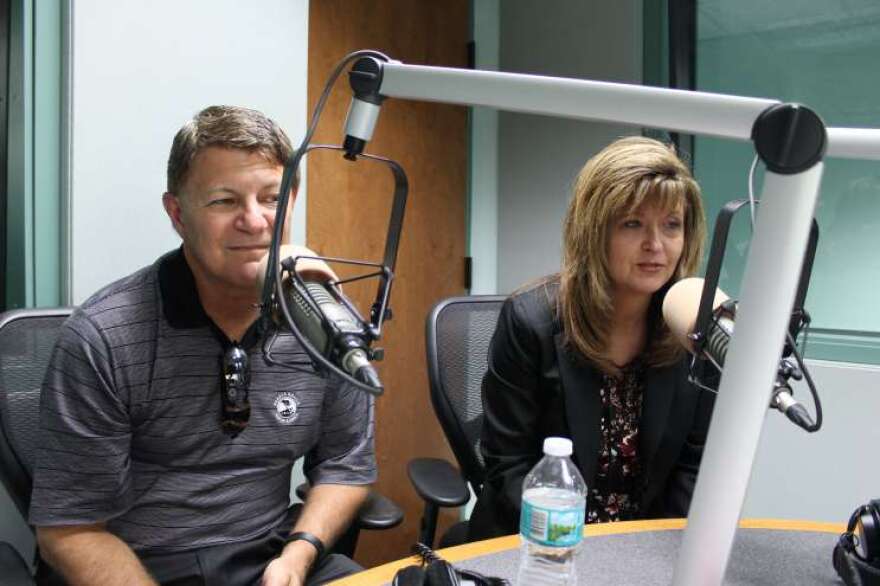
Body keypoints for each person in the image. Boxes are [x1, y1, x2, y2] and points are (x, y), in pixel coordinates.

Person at [28, 105, 375, 585]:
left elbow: (345, 466)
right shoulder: (105, 335)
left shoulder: (326, 324)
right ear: (177, 214)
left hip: (271, 554)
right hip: (140, 563)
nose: (254, 222)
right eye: (224, 202)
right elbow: (69, 530)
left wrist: (300, 553)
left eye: (272, 198)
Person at [468, 136, 715, 540]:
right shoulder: (531, 322)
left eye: (671, 225)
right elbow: (507, 464)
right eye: (632, 223)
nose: (656, 245)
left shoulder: (695, 328)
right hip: (539, 540)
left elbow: (695, 466)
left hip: (645, 547)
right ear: (593, 230)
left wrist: (657, 554)